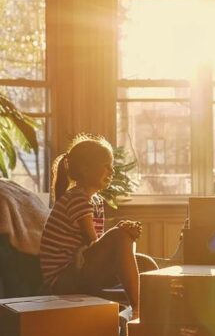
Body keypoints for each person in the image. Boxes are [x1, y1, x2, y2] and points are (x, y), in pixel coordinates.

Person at [39, 134, 156, 313]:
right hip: (64, 281)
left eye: (112, 166)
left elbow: (99, 250)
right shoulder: (78, 198)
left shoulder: (95, 200)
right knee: (120, 235)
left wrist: (124, 235)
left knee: (145, 264)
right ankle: (137, 309)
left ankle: (159, 306)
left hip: (80, 271)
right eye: (106, 166)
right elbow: (93, 245)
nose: (112, 171)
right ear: (86, 169)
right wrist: (122, 233)